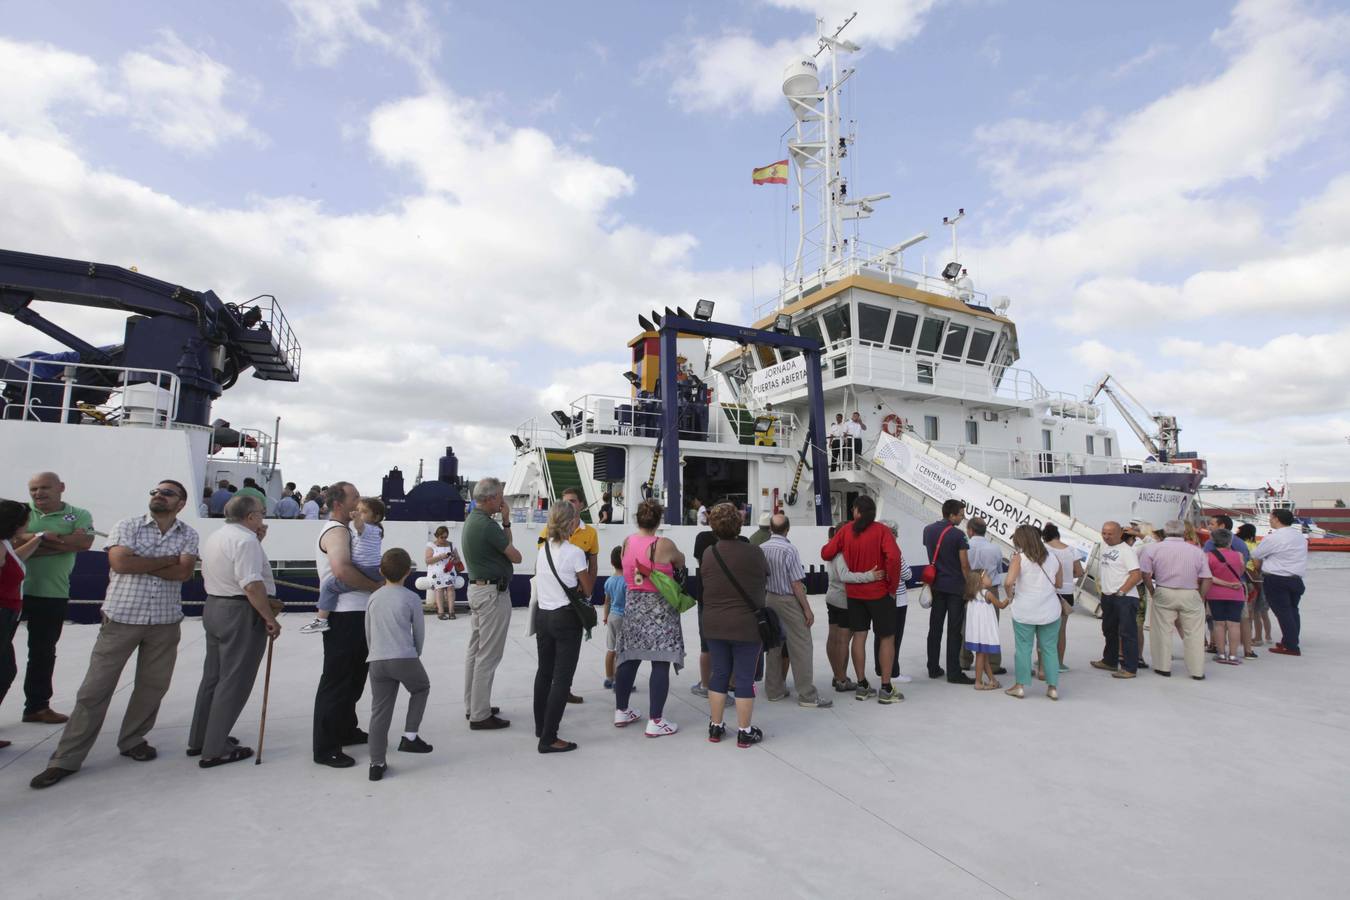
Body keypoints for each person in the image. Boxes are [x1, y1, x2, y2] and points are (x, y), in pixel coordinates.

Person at [30, 481, 199, 788]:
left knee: (153, 687)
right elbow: (120, 563)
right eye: (155, 491)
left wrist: (142, 563)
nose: (158, 495)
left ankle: (133, 739)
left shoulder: (188, 534)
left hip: (164, 621)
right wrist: (165, 560)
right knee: (94, 690)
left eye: (167, 493)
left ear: (181, 503)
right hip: (122, 617)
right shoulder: (128, 525)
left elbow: (183, 573)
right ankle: (66, 758)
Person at [189, 493, 281, 767]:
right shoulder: (245, 541)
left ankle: (201, 738)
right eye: (261, 513)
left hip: (215, 606)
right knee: (234, 681)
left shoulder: (219, 535)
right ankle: (215, 748)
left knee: (213, 678)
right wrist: (269, 618)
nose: (263, 517)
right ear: (251, 517)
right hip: (239, 612)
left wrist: (258, 541)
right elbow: (251, 584)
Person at [312, 482, 382, 767]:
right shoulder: (337, 531)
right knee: (338, 680)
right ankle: (326, 746)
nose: (359, 502)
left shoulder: (348, 529)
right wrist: (376, 586)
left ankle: (345, 729)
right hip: (344, 614)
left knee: (354, 679)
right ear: (339, 503)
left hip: (356, 613)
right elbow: (341, 570)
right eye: (355, 498)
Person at [22, 471, 95, 724]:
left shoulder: (80, 514)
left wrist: (32, 543)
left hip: (52, 593)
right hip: (13, 594)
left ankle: (37, 707)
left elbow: (84, 543)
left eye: (44, 488)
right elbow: (8, 541)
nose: (38, 493)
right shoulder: (21, 512)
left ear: (61, 487)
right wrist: (49, 539)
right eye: (33, 489)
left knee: (42, 653)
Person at [614, 499, 686, 737]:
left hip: (633, 606)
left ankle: (622, 710)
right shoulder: (663, 544)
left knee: (629, 658)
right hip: (659, 609)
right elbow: (681, 561)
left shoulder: (627, 542)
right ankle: (656, 720)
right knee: (660, 660)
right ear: (658, 520)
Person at [821, 496, 903, 703]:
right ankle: (885, 688)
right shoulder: (882, 531)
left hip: (855, 595)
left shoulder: (846, 531)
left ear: (857, 511)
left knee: (859, 636)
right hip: (879, 593)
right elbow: (893, 558)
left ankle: (862, 685)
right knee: (886, 637)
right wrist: (891, 587)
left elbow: (826, 553)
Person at [699, 502, 767, 748]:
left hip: (714, 623)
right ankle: (744, 731)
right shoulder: (754, 552)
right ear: (739, 525)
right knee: (744, 678)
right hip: (746, 625)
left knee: (719, 674)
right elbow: (762, 579)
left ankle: (715, 727)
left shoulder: (709, 553)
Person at [366, 548, 433, 781]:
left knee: (380, 711)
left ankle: (376, 763)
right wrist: (417, 653)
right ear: (408, 572)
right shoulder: (411, 598)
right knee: (421, 687)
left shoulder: (373, 597)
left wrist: (373, 651)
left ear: (380, 571)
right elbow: (419, 632)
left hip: (376, 658)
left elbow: (368, 630)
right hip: (403, 656)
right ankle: (410, 736)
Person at [461, 477, 520, 730]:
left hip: (478, 590)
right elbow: (515, 555)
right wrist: (506, 522)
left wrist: (504, 521)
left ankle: (474, 705)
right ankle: (480, 714)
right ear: (490, 498)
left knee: (475, 652)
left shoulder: (473, 521)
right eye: (499, 496)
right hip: (492, 595)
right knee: (488, 655)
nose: (502, 500)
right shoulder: (487, 526)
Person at [533, 501, 592, 753]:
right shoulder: (575, 552)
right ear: (570, 524)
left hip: (543, 616)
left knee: (544, 672)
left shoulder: (543, 549)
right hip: (566, 619)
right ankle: (548, 738)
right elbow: (588, 588)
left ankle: (540, 726)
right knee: (562, 679)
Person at [761, 515, 831, 709]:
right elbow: (796, 583)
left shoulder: (762, 548)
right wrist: (807, 609)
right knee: (802, 645)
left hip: (769, 598)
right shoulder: (789, 549)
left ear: (770, 529)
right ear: (787, 529)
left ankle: (774, 690)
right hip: (788, 600)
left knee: (774, 645)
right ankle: (807, 694)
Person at [301, 496, 385, 635]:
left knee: (329, 587)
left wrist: (356, 518)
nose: (358, 512)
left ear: (376, 517)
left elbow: (359, 526)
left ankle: (321, 620)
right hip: (374, 568)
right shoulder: (377, 530)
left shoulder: (367, 529)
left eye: (363, 512)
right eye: (358, 510)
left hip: (363, 568)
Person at [1140, 520, 1211, 680]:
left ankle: (1163, 666)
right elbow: (1207, 577)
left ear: (1164, 532)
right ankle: (1196, 670)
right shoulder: (1196, 551)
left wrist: (1152, 590)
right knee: (1194, 633)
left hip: (1164, 590)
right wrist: (1200, 595)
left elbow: (1145, 573)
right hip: (1190, 592)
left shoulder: (1153, 549)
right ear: (1184, 532)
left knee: (1161, 630)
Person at [1, 500, 43, 749]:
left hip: (8, 614)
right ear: (16, 523)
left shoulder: (5, 543)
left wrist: (37, 539)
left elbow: (14, 561)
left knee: (5, 670)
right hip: (2, 613)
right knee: (4, 671)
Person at [1004, 524, 1063, 700]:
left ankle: (1020, 686)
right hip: (1050, 610)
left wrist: (1010, 597)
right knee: (1050, 649)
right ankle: (1052, 688)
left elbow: (1008, 582)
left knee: (1023, 648)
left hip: (1025, 610)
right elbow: (1059, 584)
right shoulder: (1053, 558)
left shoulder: (1019, 558)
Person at [823, 525, 883, 692]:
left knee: (833, 638)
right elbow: (845, 575)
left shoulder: (831, 550)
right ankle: (842, 679)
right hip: (843, 600)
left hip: (832, 597)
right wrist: (869, 576)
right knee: (843, 640)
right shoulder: (841, 553)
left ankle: (837, 675)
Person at [922, 499, 974, 685]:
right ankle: (954, 672)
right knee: (954, 630)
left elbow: (932, 554)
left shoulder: (928, 530)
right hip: (955, 588)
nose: (963, 518)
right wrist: (970, 586)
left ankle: (933, 668)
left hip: (936, 586)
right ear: (951, 515)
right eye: (961, 514)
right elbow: (964, 564)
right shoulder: (959, 535)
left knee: (935, 628)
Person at [1251, 508, 1308, 656]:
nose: (1269, 520)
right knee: (1293, 611)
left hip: (1277, 578)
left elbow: (1256, 554)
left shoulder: (1274, 538)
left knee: (1283, 613)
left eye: (1271, 517)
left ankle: (1291, 646)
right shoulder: (1300, 536)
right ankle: (1291, 640)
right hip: (1296, 578)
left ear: (1277, 519)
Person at [1090, 522, 1143, 678]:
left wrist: (1121, 592)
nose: (1106, 536)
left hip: (1124, 597)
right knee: (1109, 630)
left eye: (1110, 533)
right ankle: (1110, 660)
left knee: (1127, 632)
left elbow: (1136, 574)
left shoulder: (1127, 551)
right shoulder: (1106, 548)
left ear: (1120, 533)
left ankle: (1130, 668)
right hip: (1108, 596)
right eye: (1104, 533)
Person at [961, 518, 1006, 676]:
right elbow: (999, 569)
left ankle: (964, 660)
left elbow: (962, 565)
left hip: (969, 587)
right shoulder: (994, 548)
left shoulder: (965, 546)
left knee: (966, 624)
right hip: (990, 588)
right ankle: (993, 664)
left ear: (971, 531)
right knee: (991, 625)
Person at [1041, 523, 1083, 672]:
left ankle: (1042, 661)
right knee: (1061, 630)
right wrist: (1067, 576)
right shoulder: (1072, 550)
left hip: (1050, 592)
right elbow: (1079, 572)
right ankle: (1059, 663)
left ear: (1045, 537)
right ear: (1058, 535)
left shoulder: (1045, 549)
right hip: (1067, 593)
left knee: (1044, 628)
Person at [1204, 528, 1247, 665]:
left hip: (1216, 593)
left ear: (1212, 541)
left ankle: (1221, 653)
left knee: (1219, 624)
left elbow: (1208, 576)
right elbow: (1240, 572)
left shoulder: (1208, 556)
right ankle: (1233, 655)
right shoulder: (1239, 555)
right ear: (1230, 541)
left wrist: (1224, 583)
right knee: (1234, 624)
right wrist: (1230, 583)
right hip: (1236, 592)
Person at [963, 569, 1007, 690]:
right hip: (984, 632)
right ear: (980, 580)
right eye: (987, 576)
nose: (990, 577)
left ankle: (993, 680)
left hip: (977, 633)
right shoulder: (987, 594)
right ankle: (978, 682)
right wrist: (1010, 597)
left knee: (984, 657)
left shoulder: (973, 595)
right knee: (981, 656)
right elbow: (1001, 605)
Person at [1237, 523, 1272, 648]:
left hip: (1248, 580)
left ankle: (1249, 638)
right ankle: (1266, 636)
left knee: (1249, 612)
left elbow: (1254, 564)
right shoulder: (1256, 545)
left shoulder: (1241, 546)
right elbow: (1258, 565)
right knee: (1261, 612)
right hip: (1258, 580)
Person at [425, 526, 462, 621]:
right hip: (436, 572)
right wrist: (440, 556)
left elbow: (458, 559)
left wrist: (454, 558)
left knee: (450, 588)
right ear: (437, 536)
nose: (444, 539)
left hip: (448, 570)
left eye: (446, 537)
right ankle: (440, 612)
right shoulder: (431, 546)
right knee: (439, 589)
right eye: (442, 537)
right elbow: (428, 560)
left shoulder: (451, 545)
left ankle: (451, 611)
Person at [601, 546, 625, 689]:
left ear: (612, 563)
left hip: (611, 617)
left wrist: (605, 616)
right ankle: (619, 681)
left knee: (611, 649)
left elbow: (607, 601)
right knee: (622, 651)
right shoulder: (627, 582)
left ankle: (609, 677)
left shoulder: (609, 581)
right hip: (623, 618)